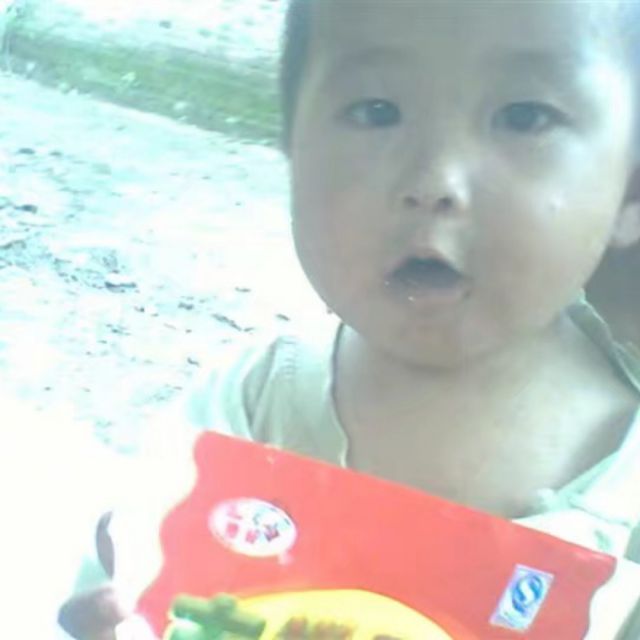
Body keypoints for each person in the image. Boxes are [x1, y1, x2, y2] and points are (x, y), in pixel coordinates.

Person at [59, 0, 640, 637]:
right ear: (292, 152)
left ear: (631, 188)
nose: (434, 180)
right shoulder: (242, 409)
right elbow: (112, 584)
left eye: (524, 116)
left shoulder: (624, 502)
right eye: (376, 110)